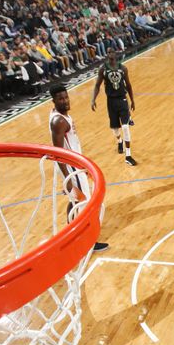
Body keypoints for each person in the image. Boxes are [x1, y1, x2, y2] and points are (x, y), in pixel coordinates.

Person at [49, 84, 108, 252]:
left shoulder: (61, 116)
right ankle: (88, 242)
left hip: (73, 166)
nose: (65, 101)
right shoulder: (58, 121)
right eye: (60, 99)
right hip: (72, 170)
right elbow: (58, 153)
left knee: (75, 200)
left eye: (66, 97)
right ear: (53, 101)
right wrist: (68, 180)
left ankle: (70, 232)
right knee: (85, 204)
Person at [91, 47, 137, 166]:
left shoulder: (123, 68)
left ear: (116, 54)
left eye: (112, 51)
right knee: (115, 128)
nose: (110, 53)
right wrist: (93, 99)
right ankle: (119, 140)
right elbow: (97, 85)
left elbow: (129, 85)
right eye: (108, 51)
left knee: (125, 127)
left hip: (122, 99)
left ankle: (128, 155)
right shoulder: (103, 69)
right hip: (111, 101)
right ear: (107, 54)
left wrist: (132, 100)